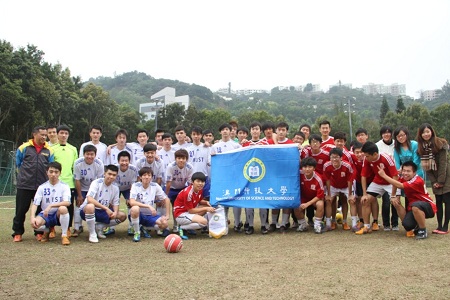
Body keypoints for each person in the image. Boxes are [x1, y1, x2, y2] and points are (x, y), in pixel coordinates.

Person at [12, 126, 55, 242]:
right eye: (42, 135)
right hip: (24, 185)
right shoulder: (24, 148)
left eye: (45, 135)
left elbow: (50, 167)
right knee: (21, 210)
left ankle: (39, 232)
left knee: (40, 210)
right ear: (34, 134)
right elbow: (18, 163)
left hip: (41, 186)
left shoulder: (49, 150)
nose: (44, 137)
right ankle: (17, 232)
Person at [378, 161, 437, 239]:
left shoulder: (417, 180)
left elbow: (399, 185)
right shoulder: (404, 178)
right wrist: (394, 196)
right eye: (404, 171)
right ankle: (416, 226)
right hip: (414, 207)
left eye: (408, 171)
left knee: (415, 206)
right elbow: (395, 179)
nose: (405, 173)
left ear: (414, 172)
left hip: (428, 207)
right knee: (407, 224)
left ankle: (423, 230)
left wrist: (384, 175)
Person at [356, 142, 399, 235]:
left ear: (375, 154)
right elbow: (363, 176)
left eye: (367, 156)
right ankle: (366, 227)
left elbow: (395, 177)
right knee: (365, 201)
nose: (365, 158)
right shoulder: (366, 159)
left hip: (390, 182)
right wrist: (364, 194)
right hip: (377, 182)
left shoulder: (386, 158)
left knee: (397, 203)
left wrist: (393, 195)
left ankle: (409, 228)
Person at [80, 164, 127, 243]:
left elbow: (116, 203)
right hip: (88, 210)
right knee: (90, 206)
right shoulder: (96, 183)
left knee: (122, 216)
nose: (111, 177)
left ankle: (100, 227)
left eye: (114, 175)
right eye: (109, 174)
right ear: (104, 173)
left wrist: (115, 212)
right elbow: (89, 199)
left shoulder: (115, 188)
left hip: (103, 212)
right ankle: (92, 234)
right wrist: (106, 208)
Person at [417, 123, 450, 234]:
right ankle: (439, 225)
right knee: (438, 201)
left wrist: (440, 181)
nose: (426, 134)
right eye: (423, 132)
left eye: (428, 131)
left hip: (446, 175)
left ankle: (445, 227)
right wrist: (434, 182)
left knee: (447, 200)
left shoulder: (441, 143)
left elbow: (443, 163)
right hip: (435, 178)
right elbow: (426, 168)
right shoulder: (422, 148)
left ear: (432, 131)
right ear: (420, 135)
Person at [30, 162, 71, 245]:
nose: (53, 174)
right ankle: (47, 231)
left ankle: (64, 236)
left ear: (60, 173)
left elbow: (67, 202)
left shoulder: (65, 186)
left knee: (63, 208)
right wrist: (32, 217)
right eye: (51, 172)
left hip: (58, 214)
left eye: (56, 172)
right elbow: (35, 203)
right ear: (47, 172)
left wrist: (51, 205)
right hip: (46, 215)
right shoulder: (42, 187)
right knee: (36, 225)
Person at [240, 121, 270, 235]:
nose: (255, 131)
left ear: (260, 131)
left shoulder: (265, 143)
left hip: (262, 176)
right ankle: (250, 226)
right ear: (250, 131)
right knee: (249, 202)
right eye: (253, 129)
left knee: (262, 201)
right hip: (248, 178)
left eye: (257, 129)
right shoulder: (245, 144)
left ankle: (263, 225)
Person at [129, 167, 171, 242]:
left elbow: (166, 199)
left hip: (150, 215)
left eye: (149, 175)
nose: (147, 177)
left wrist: (167, 215)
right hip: (139, 215)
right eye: (144, 175)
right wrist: (148, 206)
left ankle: (143, 227)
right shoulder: (135, 186)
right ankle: (137, 232)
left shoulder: (155, 186)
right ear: (140, 177)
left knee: (165, 224)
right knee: (135, 208)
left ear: (151, 177)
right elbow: (131, 202)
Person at [51, 125, 78, 238]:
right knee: (52, 205)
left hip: (69, 183)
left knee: (69, 207)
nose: (64, 135)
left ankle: (67, 228)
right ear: (57, 134)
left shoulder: (73, 149)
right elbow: (50, 166)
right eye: (61, 133)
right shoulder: (52, 149)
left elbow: (75, 167)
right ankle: (51, 228)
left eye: (66, 133)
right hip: (55, 183)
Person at [173, 172, 216, 240]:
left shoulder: (199, 189)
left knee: (203, 208)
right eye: (198, 181)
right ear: (192, 182)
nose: (200, 183)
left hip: (187, 212)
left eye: (202, 181)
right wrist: (206, 208)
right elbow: (191, 210)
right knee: (204, 222)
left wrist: (206, 202)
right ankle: (182, 227)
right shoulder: (188, 193)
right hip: (180, 214)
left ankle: (187, 227)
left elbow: (198, 200)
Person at [73, 145, 104, 236]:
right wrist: (79, 195)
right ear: (83, 154)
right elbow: (77, 180)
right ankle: (77, 227)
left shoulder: (99, 163)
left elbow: (100, 181)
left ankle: (96, 226)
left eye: (92, 154)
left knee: (94, 206)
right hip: (82, 187)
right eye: (87, 154)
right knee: (78, 204)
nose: (89, 156)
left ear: (95, 155)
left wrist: (98, 194)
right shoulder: (78, 163)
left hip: (94, 188)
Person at [323, 147, 356, 231]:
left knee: (350, 201)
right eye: (332, 157)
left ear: (341, 158)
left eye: (337, 157)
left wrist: (350, 194)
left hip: (345, 186)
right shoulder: (326, 165)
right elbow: (327, 180)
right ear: (330, 158)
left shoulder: (347, 165)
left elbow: (349, 180)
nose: (334, 159)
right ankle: (329, 223)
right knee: (329, 201)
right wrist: (329, 194)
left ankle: (350, 223)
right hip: (333, 186)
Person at [375, 125, 398, 231]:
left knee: (395, 201)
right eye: (384, 132)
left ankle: (395, 224)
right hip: (384, 177)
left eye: (388, 132)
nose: (386, 134)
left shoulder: (396, 144)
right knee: (386, 202)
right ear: (381, 134)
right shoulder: (377, 145)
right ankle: (386, 224)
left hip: (396, 176)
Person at [166, 149, 194, 232]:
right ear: (175, 159)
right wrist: (166, 196)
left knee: (185, 207)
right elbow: (168, 183)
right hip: (171, 188)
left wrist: (190, 195)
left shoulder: (190, 167)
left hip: (182, 188)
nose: (181, 160)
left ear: (186, 159)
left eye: (183, 158)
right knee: (173, 207)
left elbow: (190, 184)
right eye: (179, 158)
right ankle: (174, 225)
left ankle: (186, 226)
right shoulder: (171, 166)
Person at [294, 157, 325, 234]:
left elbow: (319, 196)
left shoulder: (318, 178)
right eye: (305, 167)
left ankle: (317, 225)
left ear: (314, 168)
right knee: (295, 204)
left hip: (315, 198)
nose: (307, 169)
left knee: (320, 204)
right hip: (303, 198)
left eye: (310, 167)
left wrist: (307, 204)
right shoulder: (298, 174)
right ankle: (303, 224)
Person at [111, 151, 138, 236]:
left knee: (131, 204)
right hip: (115, 188)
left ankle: (131, 226)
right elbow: (111, 183)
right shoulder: (114, 168)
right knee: (111, 204)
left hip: (127, 188)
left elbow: (133, 185)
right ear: (118, 161)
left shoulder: (133, 169)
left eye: (126, 161)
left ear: (129, 161)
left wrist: (130, 197)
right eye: (122, 161)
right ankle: (110, 227)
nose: (124, 163)